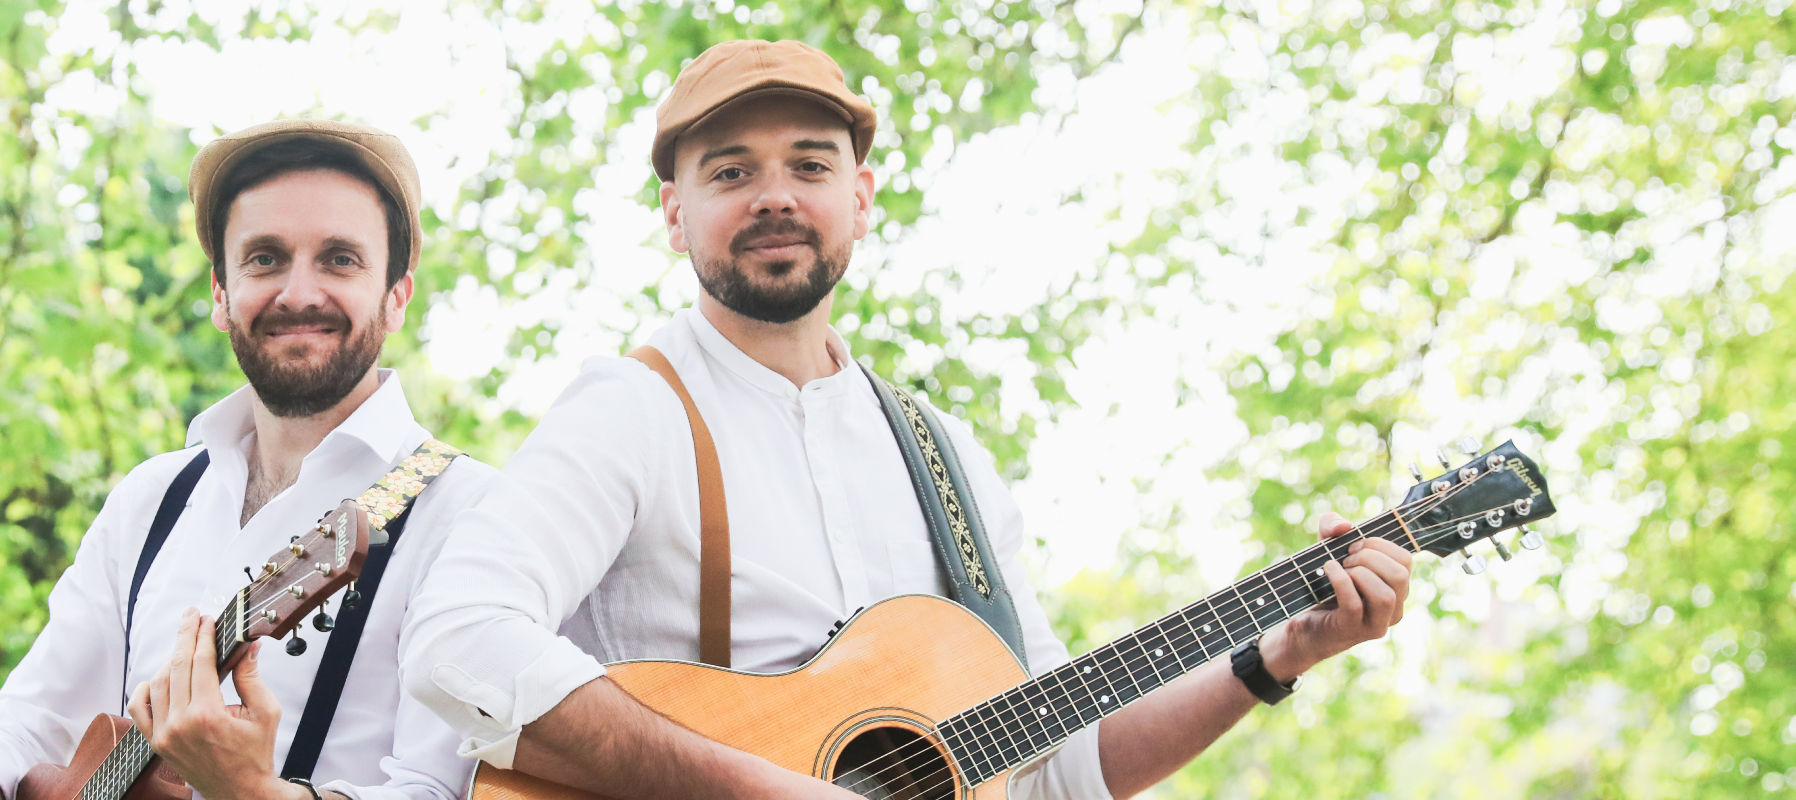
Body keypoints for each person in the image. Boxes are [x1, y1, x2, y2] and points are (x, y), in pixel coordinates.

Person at [398, 40, 1415, 800]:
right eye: (731, 171)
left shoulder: (946, 458)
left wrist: (1270, 656)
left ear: (862, 194)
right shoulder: (635, 406)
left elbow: (1057, 770)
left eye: (809, 163)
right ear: (675, 214)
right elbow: (458, 639)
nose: (774, 196)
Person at [0, 119, 497, 800]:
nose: (300, 293)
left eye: (340, 259)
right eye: (265, 258)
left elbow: (444, 789)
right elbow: (26, 720)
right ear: (222, 294)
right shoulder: (152, 497)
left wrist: (253, 791)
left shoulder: (471, 511)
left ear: (397, 295)